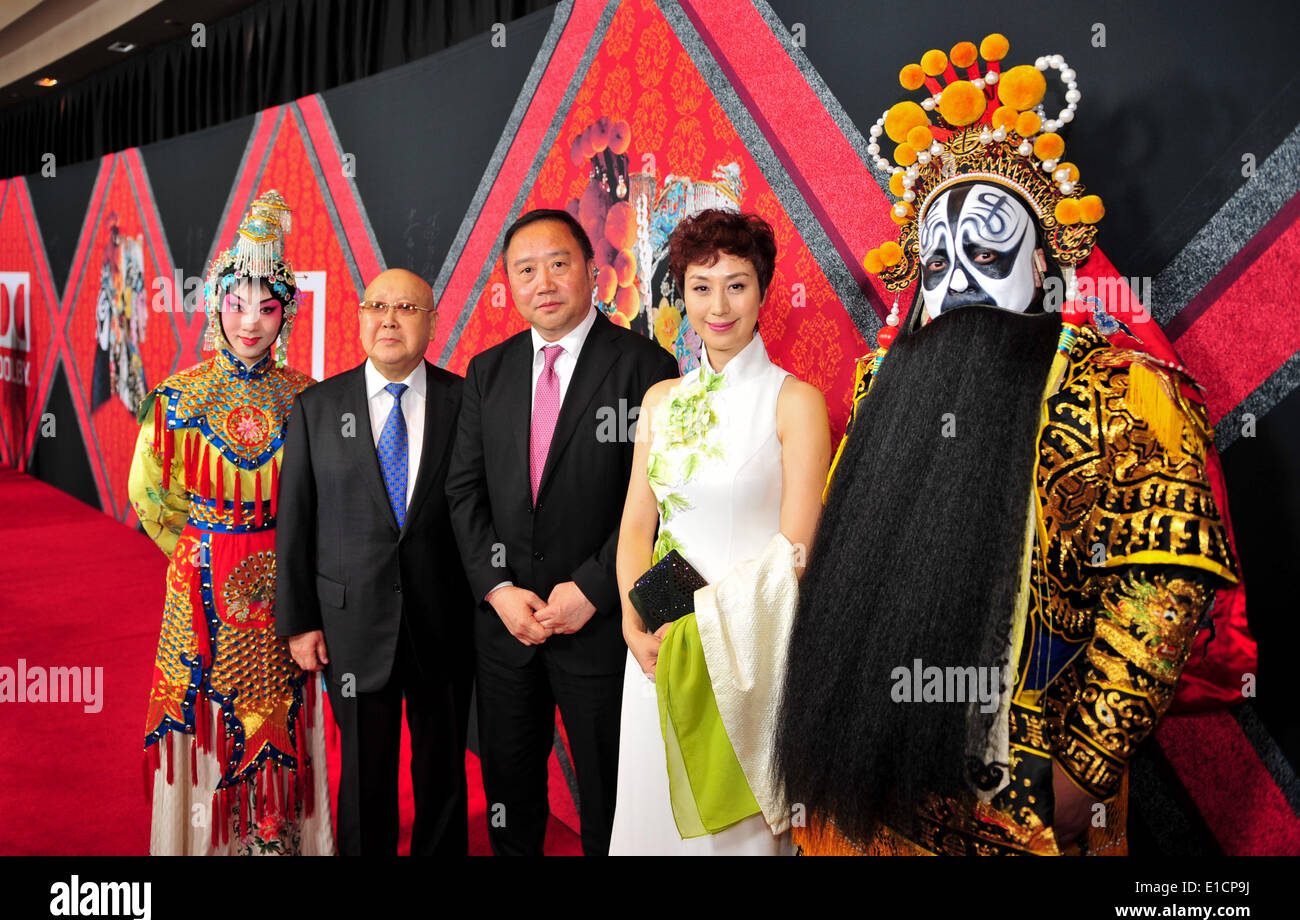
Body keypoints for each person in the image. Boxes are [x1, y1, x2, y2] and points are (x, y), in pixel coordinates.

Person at [776, 34, 1240, 856]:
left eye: (989, 253)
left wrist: (1084, 768)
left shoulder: (1121, 391)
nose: (958, 284)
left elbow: (1163, 586)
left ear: (1046, 266)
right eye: (938, 261)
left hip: (1026, 803)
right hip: (877, 787)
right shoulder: (882, 386)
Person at [446, 208, 679, 856]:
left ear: (592, 271)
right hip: (508, 629)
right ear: (510, 285)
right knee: (509, 794)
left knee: (611, 798)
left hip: (602, 629)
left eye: (558, 263)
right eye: (526, 269)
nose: (543, 281)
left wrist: (594, 588)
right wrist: (496, 588)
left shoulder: (646, 365)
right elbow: (464, 490)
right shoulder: (486, 371)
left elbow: (663, 501)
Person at [608, 209, 830, 855]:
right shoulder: (658, 400)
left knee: (736, 836)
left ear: (763, 291)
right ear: (681, 295)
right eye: (701, 287)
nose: (719, 305)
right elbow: (634, 525)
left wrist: (703, 627)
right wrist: (631, 622)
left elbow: (796, 551)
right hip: (656, 646)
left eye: (737, 283)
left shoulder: (795, 400)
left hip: (746, 652)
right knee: (654, 820)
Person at [132, 190, 334, 855]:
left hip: (282, 584)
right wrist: (195, 549)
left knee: (281, 714)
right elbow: (149, 494)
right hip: (200, 588)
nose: (251, 322)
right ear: (216, 305)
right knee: (205, 715)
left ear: (286, 313)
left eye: (267, 307)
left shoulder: (306, 397)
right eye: (237, 304)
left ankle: (278, 840)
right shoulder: (179, 394)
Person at [275, 268, 473, 855]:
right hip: (350, 626)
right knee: (363, 776)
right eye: (377, 306)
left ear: (432, 322)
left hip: (444, 624)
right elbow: (296, 523)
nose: (390, 319)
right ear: (359, 317)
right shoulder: (315, 406)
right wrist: (300, 620)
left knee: (444, 776)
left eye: (407, 308)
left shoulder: (466, 401)